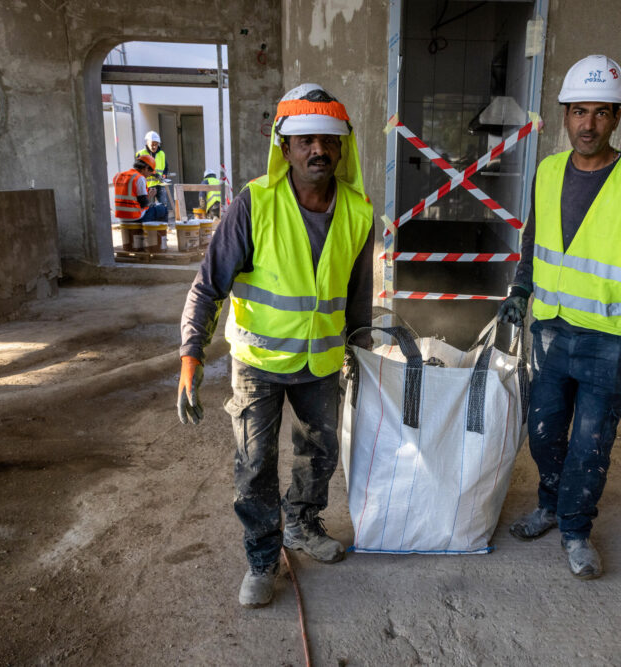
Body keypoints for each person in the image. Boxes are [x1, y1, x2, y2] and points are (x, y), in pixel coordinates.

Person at [177, 83, 374, 608]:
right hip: (258, 362)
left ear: (342, 148)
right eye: (306, 140)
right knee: (255, 462)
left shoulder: (358, 212)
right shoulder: (254, 203)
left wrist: (362, 353)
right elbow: (209, 284)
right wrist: (191, 354)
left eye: (329, 141)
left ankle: (303, 525)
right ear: (284, 147)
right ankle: (263, 559)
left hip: (322, 362)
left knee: (320, 453)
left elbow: (358, 297)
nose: (318, 150)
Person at [497, 55, 621, 580]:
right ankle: (548, 505)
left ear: (617, 117)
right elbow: (535, 243)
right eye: (578, 112)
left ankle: (576, 530)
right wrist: (519, 289)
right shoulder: (548, 171)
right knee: (544, 433)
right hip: (551, 335)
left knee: (590, 444)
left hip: (607, 343)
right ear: (564, 114)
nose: (588, 125)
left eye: (601, 113)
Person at [112, 154, 168, 222]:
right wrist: (150, 196)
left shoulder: (118, 176)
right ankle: (155, 232)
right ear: (146, 168)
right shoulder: (140, 178)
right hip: (135, 216)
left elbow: (128, 192)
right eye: (150, 172)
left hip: (121, 217)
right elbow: (144, 204)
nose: (149, 175)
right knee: (163, 209)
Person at [137, 131, 170, 212]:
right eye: (152, 144)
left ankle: (162, 223)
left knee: (163, 205)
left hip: (160, 184)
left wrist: (164, 175)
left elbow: (165, 167)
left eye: (156, 144)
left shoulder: (162, 154)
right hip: (147, 185)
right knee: (148, 207)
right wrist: (154, 174)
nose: (154, 146)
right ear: (147, 142)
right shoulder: (141, 154)